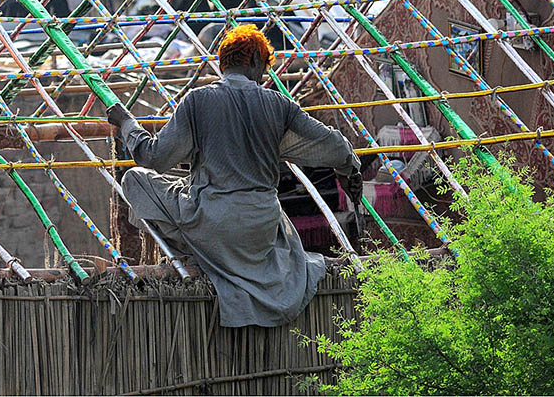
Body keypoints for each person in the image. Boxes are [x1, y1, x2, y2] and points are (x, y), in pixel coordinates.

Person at [107, 25, 362, 327]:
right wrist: (351, 170)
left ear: (222, 64)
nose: (265, 76)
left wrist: (127, 124)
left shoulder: (198, 101)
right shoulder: (279, 105)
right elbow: (334, 145)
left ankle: (193, 253)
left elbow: (154, 157)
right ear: (255, 60)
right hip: (261, 230)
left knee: (136, 180)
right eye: (265, 67)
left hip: (213, 225)